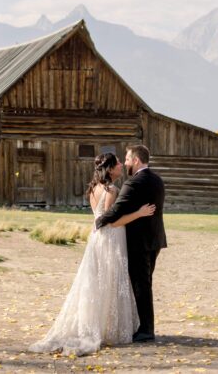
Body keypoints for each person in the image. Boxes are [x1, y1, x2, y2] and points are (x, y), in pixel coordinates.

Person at [29, 152, 156, 356]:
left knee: (97, 283)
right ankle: (109, 328)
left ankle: (97, 324)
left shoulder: (93, 189)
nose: (121, 165)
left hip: (96, 239)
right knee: (110, 281)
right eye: (117, 164)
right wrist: (138, 213)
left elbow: (99, 218)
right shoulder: (111, 190)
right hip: (111, 240)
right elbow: (111, 221)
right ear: (110, 169)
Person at [94, 144, 166, 343]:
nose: (124, 163)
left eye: (126, 159)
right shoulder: (157, 180)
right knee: (145, 283)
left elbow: (116, 211)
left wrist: (99, 221)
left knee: (141, 285)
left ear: (135, 160)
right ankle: (142, 326)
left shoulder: (133, 183)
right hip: (155, 240)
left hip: (139, 242)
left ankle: (146, 330)